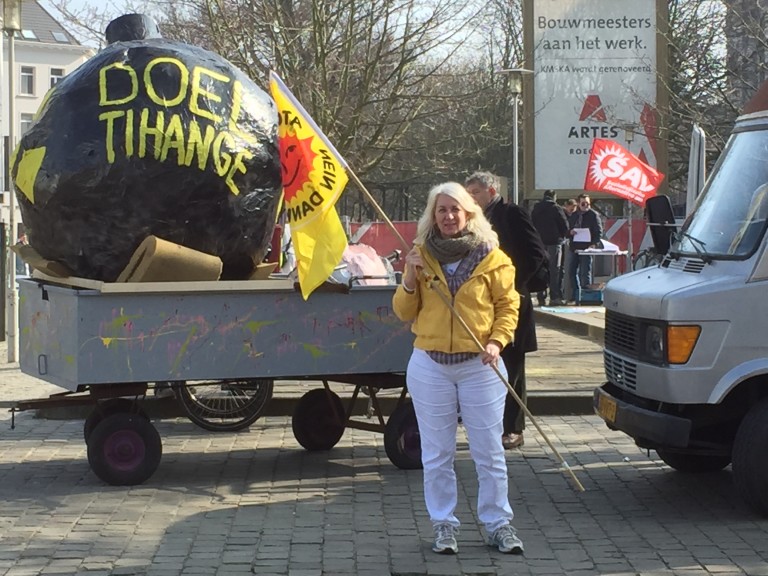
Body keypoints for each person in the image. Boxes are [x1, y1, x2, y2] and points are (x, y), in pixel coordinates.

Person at [392, 181, 524, 556]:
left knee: (489, 452)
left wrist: (497, 341)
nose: (448, 216)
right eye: (441, 210)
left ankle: (498, 523)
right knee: (436, 454)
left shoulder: (493, 257)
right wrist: (409, 277)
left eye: (455, 210)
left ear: (469, 213)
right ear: (432, 216)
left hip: (480, 365)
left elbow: (508, 307)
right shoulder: (420, 255)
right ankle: (444, 525)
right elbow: (403, 312)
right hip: (430, 365)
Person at [465, 171, 548, 451]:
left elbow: (536, 253)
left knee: (512, 367)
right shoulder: (474, 220)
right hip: (483, 305)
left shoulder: (512, 214)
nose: (470, 197)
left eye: (474, 192)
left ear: (491, 191)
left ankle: (514, 428)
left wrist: (512, 284)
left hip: (512, 301)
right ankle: (490, 424)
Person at [531, 190, 569, 306]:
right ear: (554, 197)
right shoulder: (556, 208)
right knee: (554, 270)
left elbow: (531, 223)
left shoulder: (536, 208)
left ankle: (540, 296)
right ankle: (554, 297)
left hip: (540, 242)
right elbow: (565, 225)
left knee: (541, 269)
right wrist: (563, 235)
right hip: (554, 242)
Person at [567, 193, 603, 303]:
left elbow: (598, 231)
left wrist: (594, 243)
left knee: (585, 272)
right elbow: (568, 228)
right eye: (583, 203)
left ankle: (586, 297)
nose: (586, 205)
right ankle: (577, 294)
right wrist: (570, 232)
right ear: (578, 203)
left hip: (587, 247)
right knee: (572, 271)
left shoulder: (593, 215)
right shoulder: (574, 215)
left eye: (588, 203)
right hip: (575, 247)